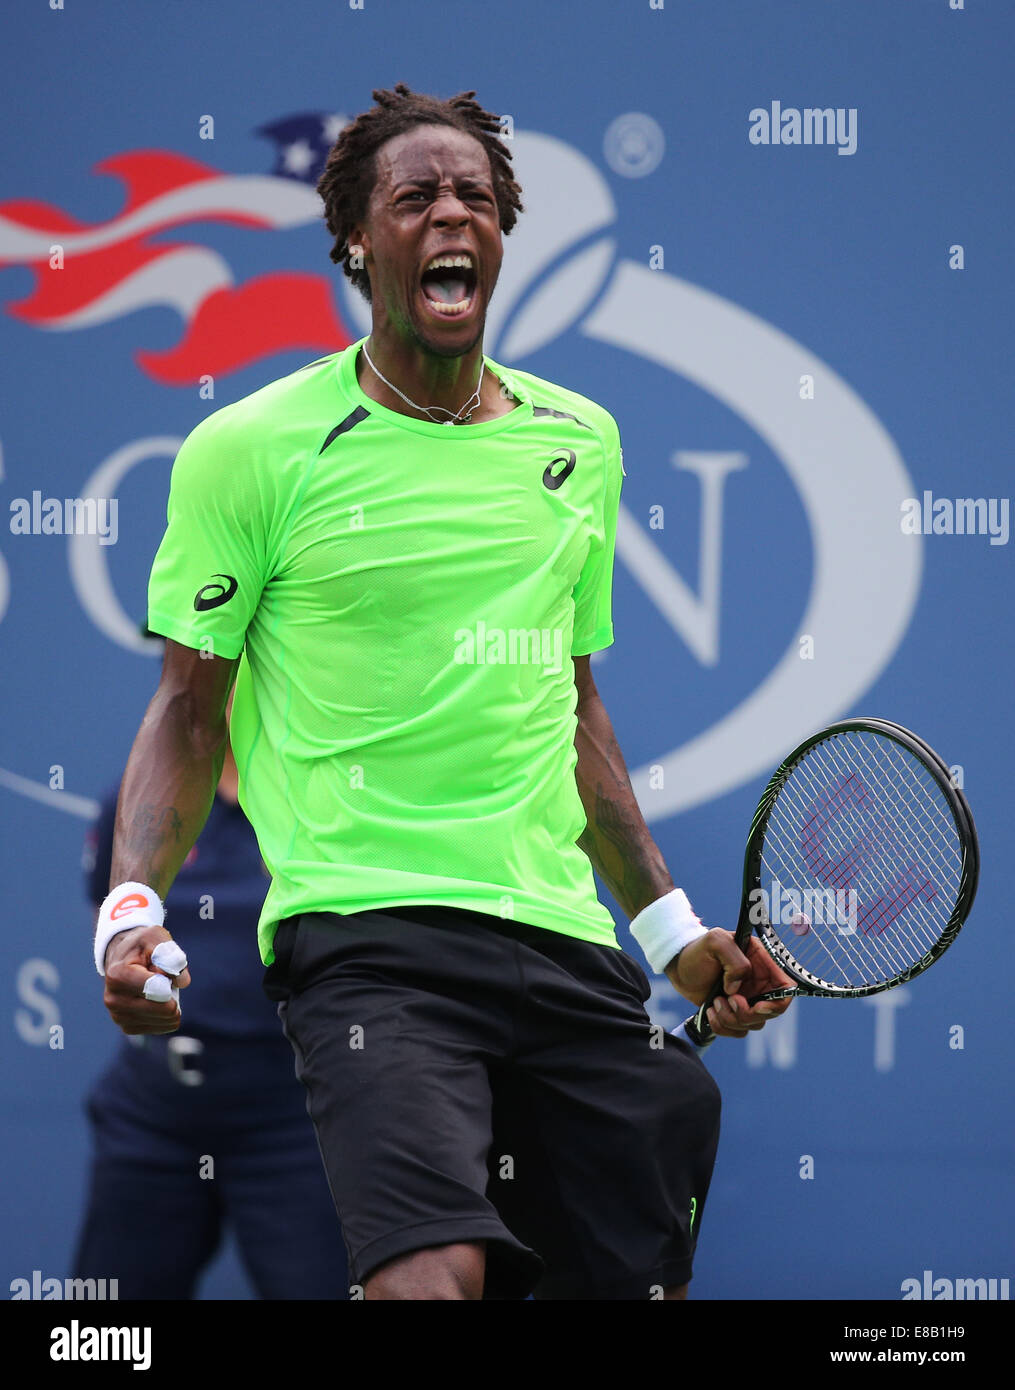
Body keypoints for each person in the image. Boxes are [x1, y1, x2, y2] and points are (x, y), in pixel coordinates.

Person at [97, 83, 792, 1301]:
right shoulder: (252, 449)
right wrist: (129, 907)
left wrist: (675, 937)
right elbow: (188, 710)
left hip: (562, 943)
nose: (450, 214)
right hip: (370, 943)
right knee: (429, 1279)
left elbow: (572, 709)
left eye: (475, 195)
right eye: (414, 197)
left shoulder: (579, 440)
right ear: (359, 243)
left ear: (503, 235)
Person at [77, 680, 349, 1299]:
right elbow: (112, 921)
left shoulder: (332, 809)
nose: (212, 678)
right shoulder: (138, 805)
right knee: (102, 1335)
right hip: (154, 1112)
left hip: (299, 1118)